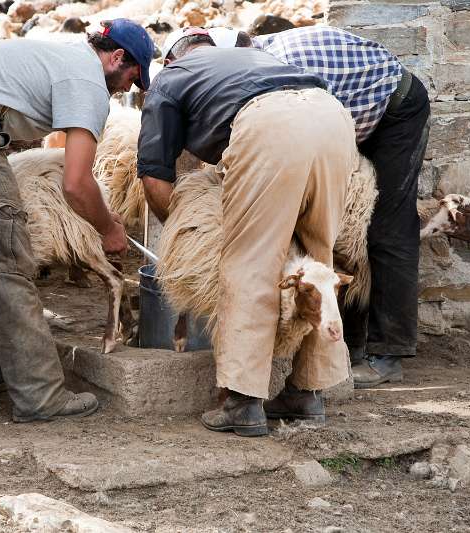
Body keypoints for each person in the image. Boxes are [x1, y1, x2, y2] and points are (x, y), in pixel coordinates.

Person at [0, 19, 155, 422]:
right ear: (117, 57)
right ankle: (40, 396)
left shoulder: (61, 55)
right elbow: (75, 183)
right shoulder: (88, 82)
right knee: (9, 258)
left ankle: (2, 366)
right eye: (133, 76)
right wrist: (109, 228)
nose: (129, 88)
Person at [169, 26, 432, 392]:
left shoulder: (274, 70)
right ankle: (349, 343)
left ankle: (388, 352)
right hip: (342, 119)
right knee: (338, 230)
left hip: (392, 107)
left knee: (387, 225)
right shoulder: (256, 67)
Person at [137, 37, 359, 436]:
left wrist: (187, 229)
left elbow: (154, 177)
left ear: (170, 59)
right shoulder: (252, 59)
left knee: (250, 264)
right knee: (317, 260)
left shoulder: (169, 79)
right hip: (332, 117)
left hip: (269, 125)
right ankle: (308, 392)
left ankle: (241, 402)